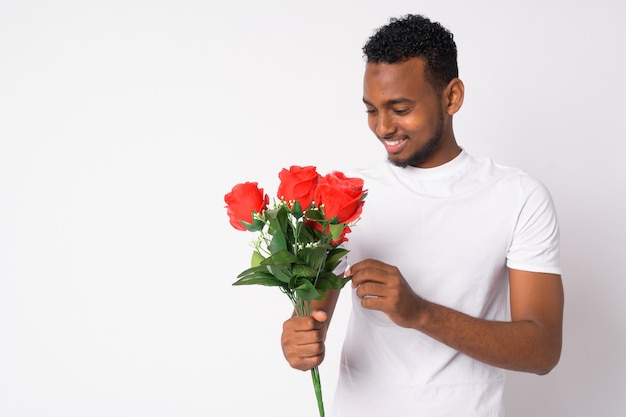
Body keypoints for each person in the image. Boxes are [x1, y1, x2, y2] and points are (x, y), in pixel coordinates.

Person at [280, 13, 563, 417]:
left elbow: (542, 349)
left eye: (400, 108)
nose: (383, 127)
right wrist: (298, 341)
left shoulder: (518, 196)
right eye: (371, 110)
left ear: (451, 97)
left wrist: (420, 313)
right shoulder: (344, 196)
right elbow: (312, 320)